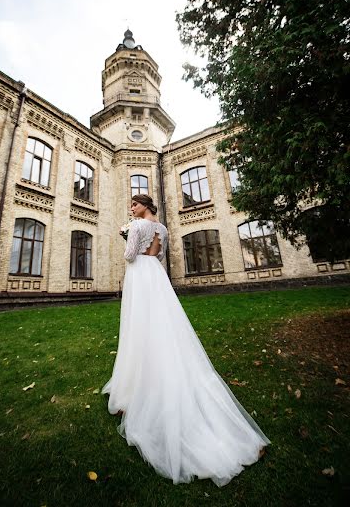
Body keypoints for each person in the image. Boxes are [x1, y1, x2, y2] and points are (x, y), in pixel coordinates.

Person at [102, 194, 270, 486]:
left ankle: (135, 389)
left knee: (139, 325)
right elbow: (160, 256)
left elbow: (130, 256)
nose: (131, 208)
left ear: (146, 206)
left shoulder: (138, 226)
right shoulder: (163, 229)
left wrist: (124, 235)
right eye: (130, 205)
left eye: (134, 204)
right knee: (163, 322)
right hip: (156, 274)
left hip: (140, 276)